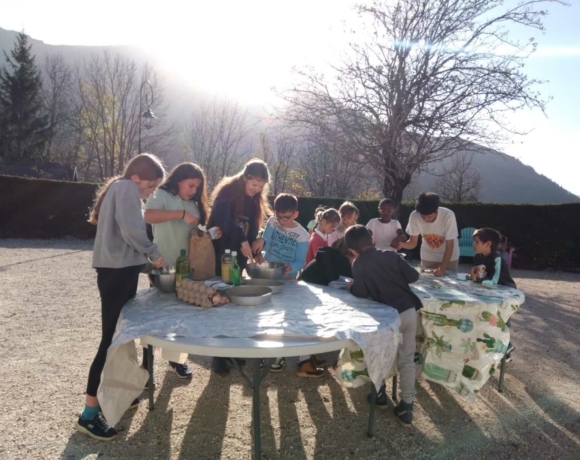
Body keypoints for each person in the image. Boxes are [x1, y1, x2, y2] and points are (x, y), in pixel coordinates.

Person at [77, 153, 165, 441]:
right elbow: (130, 232)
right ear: (137, 176)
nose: (150, 193)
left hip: (118, 272)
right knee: (110, 339)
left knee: (120, 334)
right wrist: (153, 252)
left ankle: (119, 394)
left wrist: (146, 265)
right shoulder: (126, 187)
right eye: (150, 187)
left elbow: (120, 243)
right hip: (115, 276)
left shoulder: (120, 190)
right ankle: (89, 414)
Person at [143, 162, 220, 380]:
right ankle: (146, 368)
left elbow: (195, 234)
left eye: (197, 187)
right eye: (191, 185)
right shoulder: (161, 194)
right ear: (179, 180)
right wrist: (180, 213)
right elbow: (148, 216)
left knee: (181, 318)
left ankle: (175, 362)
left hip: (187, 270)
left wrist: (211, 234)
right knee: (155, 318)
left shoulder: (195, 205)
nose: (194, 190)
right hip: (163, 268)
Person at [345, 225, 422, 427]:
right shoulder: (391, 255)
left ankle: (379, 394)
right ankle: (407, 405)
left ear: (352, 250)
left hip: (386, 318)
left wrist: (352, 287)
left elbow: (361, 293)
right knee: (407, 358)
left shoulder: (358, 264)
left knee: (380, 355)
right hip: (408, 310)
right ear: (371, 240)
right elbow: (414, 277)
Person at [207, 159, 272, 376]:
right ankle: (218, 357)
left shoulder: (255, 200)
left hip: (240, 256)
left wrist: (254, 247)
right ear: (245, 177)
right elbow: (224, 221)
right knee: (222, 298)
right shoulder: (227, 191)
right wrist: (242, 240)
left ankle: (231, 349)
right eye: (253, 185)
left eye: (260, 187)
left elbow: (253, 227)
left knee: (234, 299)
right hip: (222, 252)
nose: (256, 190)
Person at [252, 193, 309, 372]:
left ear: (295, 214)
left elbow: (301, 262)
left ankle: (279, 355)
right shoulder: (272, 222)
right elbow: (265, 242)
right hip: (267, 275)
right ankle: (260, 353)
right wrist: (260, 249)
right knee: (264, 316)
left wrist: (289, 267)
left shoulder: (302, 235)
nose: (282, 221)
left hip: (288, 280)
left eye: (287, 217)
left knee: (283, 320)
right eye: (279, 216)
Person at [471, 228, 517, 362]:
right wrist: (473, 276)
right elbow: (479, 274)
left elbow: (494, 280)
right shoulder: (477, 256)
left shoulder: (497, 258)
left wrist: (477, 280)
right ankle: (504, 351)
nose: (473, 244)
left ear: (488, 244)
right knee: (488, 319)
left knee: (501, 321)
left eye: (476, 241)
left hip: (505, 293)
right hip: (490, 292)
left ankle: (507, 345)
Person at [394, 192, 459, 276]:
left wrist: (442, 269)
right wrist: (401, 244)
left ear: (436, 211)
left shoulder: (448, 215)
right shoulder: (414, 216)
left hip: (450, 259)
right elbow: (413, 243)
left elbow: (450, 246)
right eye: (423, 216)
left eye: (429, 217)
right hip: (428, 258)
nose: (426, 220)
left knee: (449, 286)